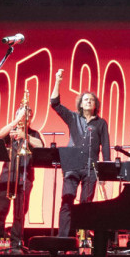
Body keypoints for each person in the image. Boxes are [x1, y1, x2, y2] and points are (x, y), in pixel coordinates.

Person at [50, 68, 110, 240]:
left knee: (86, 205)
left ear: (95, 104)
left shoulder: (101, 123)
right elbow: (55, 104)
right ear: (81, 104)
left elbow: (105, 146)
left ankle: (83, 239)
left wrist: (105, 171)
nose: (89, 102)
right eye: (85, 100)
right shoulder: (73, 118)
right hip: (72, 165)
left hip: (91, 167)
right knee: (67, 200)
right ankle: (63, 240)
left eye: (92, 100)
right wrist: (58, 81)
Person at [0, 105, 44, 253]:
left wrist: (25, 135)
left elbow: (41, 146)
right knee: (0, 211)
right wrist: (15, 121)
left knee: (19, 213)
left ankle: (16, 244)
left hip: (24, 178)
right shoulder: (11, 131)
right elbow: (0, 135)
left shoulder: (34, 134)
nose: (24, 119)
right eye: (22, 116)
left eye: (27, 117)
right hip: (7, 177)